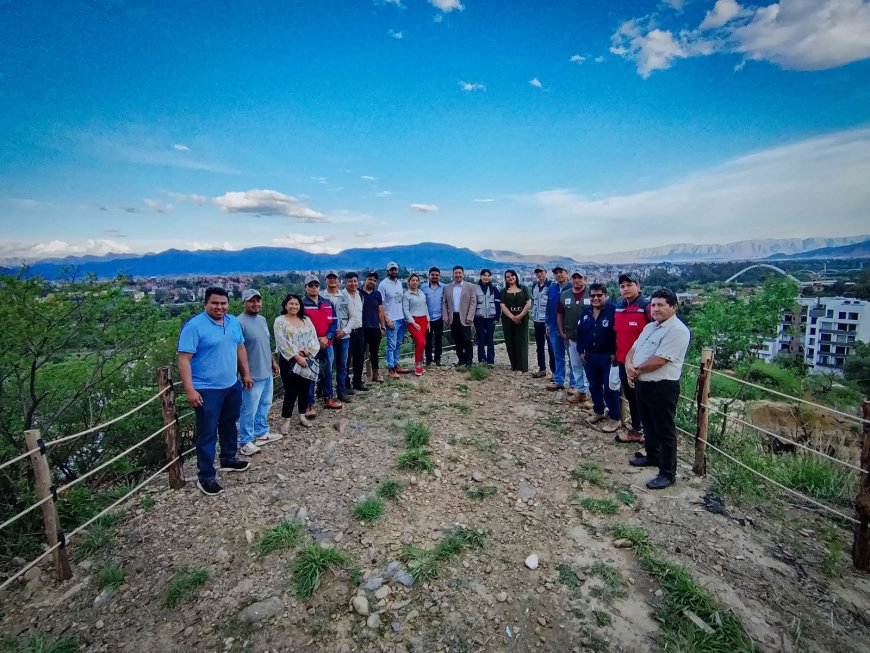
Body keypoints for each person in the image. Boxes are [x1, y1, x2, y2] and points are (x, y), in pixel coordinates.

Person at [177, 287, 252, 496]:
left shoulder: (232, 322)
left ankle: (228, 458)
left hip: (231, 383)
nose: (219, 307)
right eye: (215, 303)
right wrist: (189, 389)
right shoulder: (194, 326)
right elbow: (184, 359)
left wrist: (245, 373)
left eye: (223, 303)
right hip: (206, 388)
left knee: (229, 423)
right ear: (205, 304)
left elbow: (240, 348)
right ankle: (206, 476)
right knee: (207, 432)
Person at [625, 289, 691, 490]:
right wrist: (629, 365)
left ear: (673, 306)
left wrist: (635, 371)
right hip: (643, 384)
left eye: (661, 305)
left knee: (665, 430)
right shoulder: (650, 327)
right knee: (648, 425)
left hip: (662, 387)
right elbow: (633, 349)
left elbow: (660, 360)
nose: (655, 309)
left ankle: (667, 473)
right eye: (653, 305)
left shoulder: (678, 331)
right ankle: (652, 456)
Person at [236, 289, 282, 457]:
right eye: (251, 301)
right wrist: (245, 374)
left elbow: (265, 343)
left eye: (258, 301)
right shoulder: (238, 322)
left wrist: (273, 361)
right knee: (249, 409)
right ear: (244, 303)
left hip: (266, 370)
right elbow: (238, 350)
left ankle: (262, 433)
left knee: (265, 404)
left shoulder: (262, 320)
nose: (255, 304)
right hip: (252, 375)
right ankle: (245, 441)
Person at [614, 272, 653, 444]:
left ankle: (649, 435)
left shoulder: (647, 307)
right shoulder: (619, 307)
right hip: (623, 361)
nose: (626, 289)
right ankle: (637, 430)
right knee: (631, 398)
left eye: (629, 285)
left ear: (638, 286)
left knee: (645, 399)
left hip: (643, 364)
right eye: (622, 286)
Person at [577, 284, 621, 432]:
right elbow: (580, 334)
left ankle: (615, 418)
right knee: (594, 385)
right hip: (589, 356)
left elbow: (619, 334)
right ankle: (599, 411)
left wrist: (616, 352)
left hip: (607, 356)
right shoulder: (586, 313)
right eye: (593, 296)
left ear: (605, 296)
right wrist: (580, 352)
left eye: (599, 295)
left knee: (610, 388)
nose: (595, 298)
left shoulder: (613, 312)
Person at [273, 293, 320, 432]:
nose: (294, 306)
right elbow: (281, 342)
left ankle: (302, 416)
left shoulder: (306, 319)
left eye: (296, 304)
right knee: (291, 391)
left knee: (304, 389)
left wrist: (306, 352)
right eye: (291, 304)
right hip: (288, 360)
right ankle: (286, 420)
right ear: (285, 305)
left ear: (300, 306)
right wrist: (296, 356)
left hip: (306, 359)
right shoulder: (280, 321)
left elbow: (313, 338)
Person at [302, 275, 342, 415]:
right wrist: (314, 340)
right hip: (309, 346)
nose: (314, 288)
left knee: (328, 372)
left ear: (319, 287)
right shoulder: (301, 304)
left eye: (316, 285)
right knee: (310, 374)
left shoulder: (327, 303)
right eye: (310, 285)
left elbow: (334, 322)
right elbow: (300, 326)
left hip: (327, 343)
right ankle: (309, 405)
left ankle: (328, 398)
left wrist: (328, 337)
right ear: (305, 287)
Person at [320, 270, 358, 403]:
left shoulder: (345, 296)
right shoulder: (320, 296)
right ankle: (327, 393)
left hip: (343, 336)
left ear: (338, 280)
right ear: (326, 280)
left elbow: (353, 316)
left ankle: (341, 391)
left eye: (334, 278)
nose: (332, 280)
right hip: (326, 337)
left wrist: (345, 330)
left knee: (342, 365)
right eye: (329, 278)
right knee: (327, 367)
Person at [558, 270, 591, 407]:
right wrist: (561, 332)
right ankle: (581, 391)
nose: (577, 280)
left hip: (589, 338)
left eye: (580, 277)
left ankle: (591, 394)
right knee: (575, 365)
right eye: (575, 277)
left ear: (585, 279)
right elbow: (559, 314)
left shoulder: (592, 293)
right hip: (572, 336)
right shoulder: (565, 294)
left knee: (589, 366)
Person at [545, 264, 574, 392]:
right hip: (554, 327)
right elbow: (548, 307)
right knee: (558, 355)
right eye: (556, 272)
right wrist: (547, 323)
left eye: (561, 271)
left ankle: (574, 384)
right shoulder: (552, 289)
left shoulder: (573, 288)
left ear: (566, 273)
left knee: (573, 357)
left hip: (570, 329)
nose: (558, 274)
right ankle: (559, 381)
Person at [442, 265, 477, 367]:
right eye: (456, 273)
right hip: (453, 317)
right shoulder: (447, 287)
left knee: (467, 339)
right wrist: (446, 316)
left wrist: (470, 316)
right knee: (457, 340)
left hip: (465, 317)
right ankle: (461, 360)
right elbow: (444, 303)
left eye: (459, 273)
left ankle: (469, 361)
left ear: (463, 274)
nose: (458, 275)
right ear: (453, 274)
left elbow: (473, 302)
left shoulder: (470, 286)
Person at [379, 262, 409, 376]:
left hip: (401, 318)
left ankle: (396, 364)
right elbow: (381, 305)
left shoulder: (399, 284)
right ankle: (390, 368)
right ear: (387, 271)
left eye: (395, 269)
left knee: (398, 344)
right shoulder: (383, 285)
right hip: (392, 319)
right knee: (391, 345)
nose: (394, 272)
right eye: (391, 270)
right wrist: (387, 320)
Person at [500, 269, 532, 372]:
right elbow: (502, 305)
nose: (510, 277)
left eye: (512, 275)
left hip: (522, 318)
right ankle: (514, 365)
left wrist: (520, 315)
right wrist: (512, 317)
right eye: (508, 276)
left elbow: (528, 303)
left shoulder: (524, 288)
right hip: (508, 319)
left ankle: (522, 367)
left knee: (522, 341)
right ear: (505, 279)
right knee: (510, 341)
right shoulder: (503, 291)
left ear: (516, 276)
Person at [360, 272, 386, 383]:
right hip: (361, 328)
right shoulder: (358, 293)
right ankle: (359, 376)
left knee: (374, 353)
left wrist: (383, 326)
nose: (372, 282)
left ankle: (376, 375)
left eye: (374, 280)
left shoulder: (377, 294)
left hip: (375, 327)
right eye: (370, 279)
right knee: (359, 353)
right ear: (365, 280)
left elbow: (380, 311)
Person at [343, 272, 367, 393]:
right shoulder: (342, 295)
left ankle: (357, 382)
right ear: (345, 282)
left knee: (359, 357)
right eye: (350, 281)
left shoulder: (360, 295)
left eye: (355, 281)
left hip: (359, 330)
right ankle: (346, 384)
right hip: (347, 332)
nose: (353, 283)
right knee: (346, 359)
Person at [403, 273, 430, 376]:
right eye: (412, 280)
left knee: (420, 344)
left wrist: (428, 321)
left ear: (419, 282)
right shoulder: (406, 295)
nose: (415, 282)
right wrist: (413, 323)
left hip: (423, 320)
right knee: (421, 342)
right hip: (413, 321)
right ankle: (417, 364)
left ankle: (419, 363)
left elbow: (425, 307)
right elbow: (405, 310)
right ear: (409, 282)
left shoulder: (422, 293)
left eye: (416, 280)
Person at [530, 266, 554, 379]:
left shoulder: (551, 286)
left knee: (551, 347)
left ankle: (555, 372)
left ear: (546, 273)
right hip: (536, 320)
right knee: (539, 346)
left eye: (541, 272)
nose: (539, 274)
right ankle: (542, 369)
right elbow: (533, 301)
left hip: (547, 321)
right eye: (537, 273)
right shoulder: (534, 286)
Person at [474, 269, 501, 366]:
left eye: (488, 275)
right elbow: (473, 304)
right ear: (480, 276)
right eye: (484, 275)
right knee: (480, 338)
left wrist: (497, 317)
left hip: (491, 318)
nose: (486, 277)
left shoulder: (494, 289)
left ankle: (490, 361)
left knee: (490, 338)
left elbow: (498, 304)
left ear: (490, 277)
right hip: (478, 318)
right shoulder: (475, 288)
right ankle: (481, 360)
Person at [421, 267, 445, 367]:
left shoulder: (444, 287)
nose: (434, 276)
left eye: (436, 275)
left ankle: (438, 358)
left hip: (439, 317)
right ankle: (428, 359)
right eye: (433, 275)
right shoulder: (423, 287)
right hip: (427, 318)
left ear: (439, 276)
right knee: (428, 339)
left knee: (439, 338)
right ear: (429, 275)